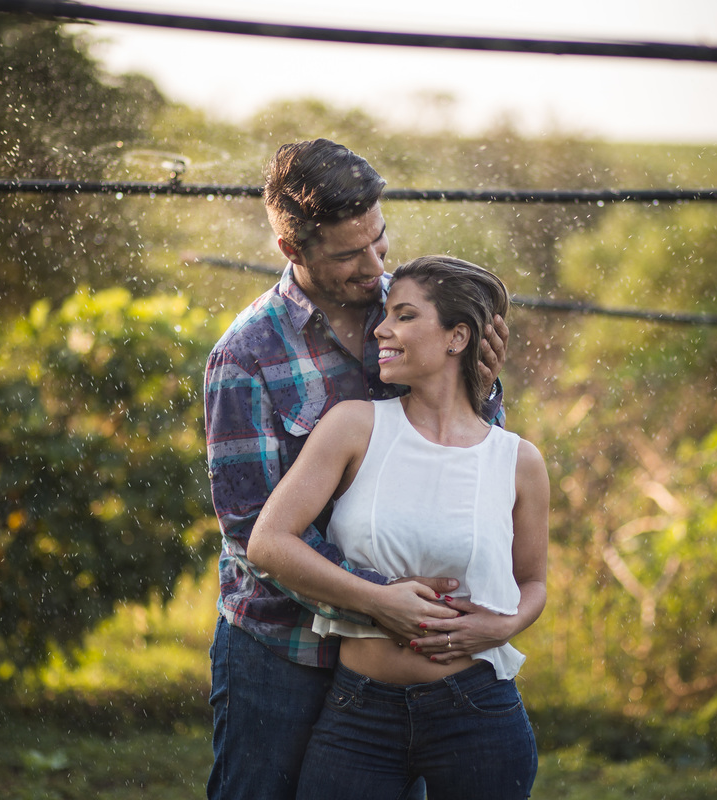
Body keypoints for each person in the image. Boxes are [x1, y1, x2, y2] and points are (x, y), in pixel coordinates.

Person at [203, 140, 521, 800]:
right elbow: (252, 531)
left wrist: (481, 393)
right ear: (294, 250)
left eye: (379, 240)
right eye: (350, 253)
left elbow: (458, 459)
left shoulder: (409, 312)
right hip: (280, 647)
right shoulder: (247, 355)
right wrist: (381, 600)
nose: (374, 266)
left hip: (389, 663)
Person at [247, 255, 550, 800]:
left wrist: (504, 627)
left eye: (405, 316)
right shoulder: (354, 426)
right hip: (359, 712)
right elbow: (268, 543)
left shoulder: (518, 460)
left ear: (457, 337)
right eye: (387, 314)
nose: (382, 329)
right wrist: (376, 601)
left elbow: (534, 583)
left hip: (477, 711)